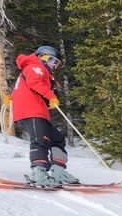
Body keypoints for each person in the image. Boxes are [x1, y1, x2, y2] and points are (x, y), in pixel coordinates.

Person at [10, 44, 79, 186]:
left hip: (37, 112)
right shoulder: (35, 67)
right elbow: (33, 83)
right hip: (30, 111)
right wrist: (51, 96)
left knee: (57, 139)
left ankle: (58, 171)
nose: (55, 66)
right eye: (54, 61)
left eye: (57, 64)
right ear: (44, 57)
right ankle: (38, 173)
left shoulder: (40, 71)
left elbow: (25, 88)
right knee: (40, 139)